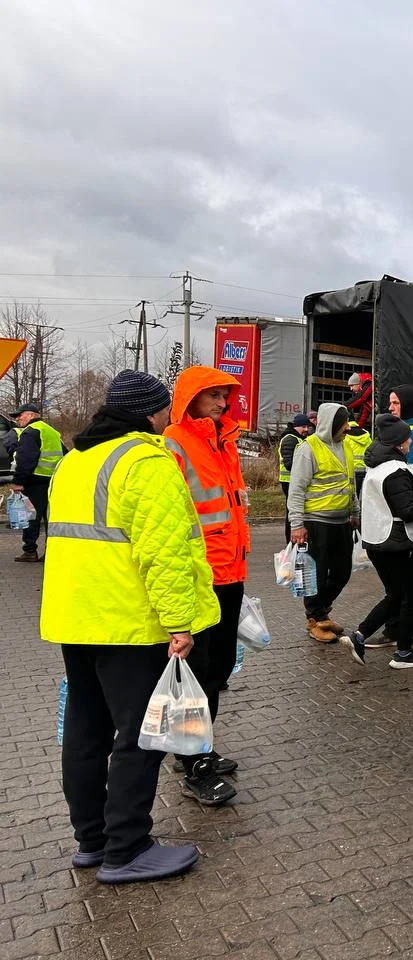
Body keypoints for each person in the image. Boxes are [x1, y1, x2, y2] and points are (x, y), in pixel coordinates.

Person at [42, 370, 218, 883]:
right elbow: (162, 554)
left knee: (86, 730)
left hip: (76, 618)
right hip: (129, 621)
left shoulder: (76, 460)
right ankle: (127, 847)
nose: (168, 416)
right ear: (150, 412)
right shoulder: (145, 460)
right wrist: (179, 622)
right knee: (142, 734)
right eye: (164, 408)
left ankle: (92, 842)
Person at [163, 367, 252, 807]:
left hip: (229, 572)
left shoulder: (224, 441)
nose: (220, 402)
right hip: (201, 577)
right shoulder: (177, 443)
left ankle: (197, 750)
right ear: (190, 399)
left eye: (224, 395)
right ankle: (193, 762)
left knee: (215, 671)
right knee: (199, 674)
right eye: (211, 395)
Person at [340, 415, 413, 669]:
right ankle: (403, 653)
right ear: (399, 442)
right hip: (396, 543)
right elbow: (409, 509)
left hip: (377, 542)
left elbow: (410, 487)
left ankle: (360, 635)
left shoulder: (379, 465)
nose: (410, 442)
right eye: (408, 438)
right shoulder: (396, 471)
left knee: (395, 595)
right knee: (407, 596)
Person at [287, 402, 357, 643]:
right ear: (331, 424)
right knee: (314, 575)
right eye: (343, 423)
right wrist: (297, 524)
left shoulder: (345, 447)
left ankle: (321, 610)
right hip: (316, 523)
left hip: (341, 522)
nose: (347, 428)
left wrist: (354, 512)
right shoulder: (308, 449)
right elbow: (296, 489)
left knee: (342, 572)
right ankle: (315, 618)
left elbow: (350, 483)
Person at [9, 402, 65, 561]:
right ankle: (51, 551)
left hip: (35, 481)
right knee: (50, 517)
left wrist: (19, 481)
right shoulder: (52, 432)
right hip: (53, 481)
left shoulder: (30, 432)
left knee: (31, 516)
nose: (17, 419)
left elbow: (26, 459)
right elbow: (65, 453)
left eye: (20, 415)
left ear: (31, 415)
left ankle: (29, 551)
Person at [278, 413, 312, 542]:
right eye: (303, 426)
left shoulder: (297, 438)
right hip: (289, 481)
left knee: (294, 512)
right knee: (292, 513)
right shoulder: (290, 439)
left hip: (293, 481)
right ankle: (291, 541)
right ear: (296, 426)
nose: (306, 430)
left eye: (307, 426)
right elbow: (290, 464)